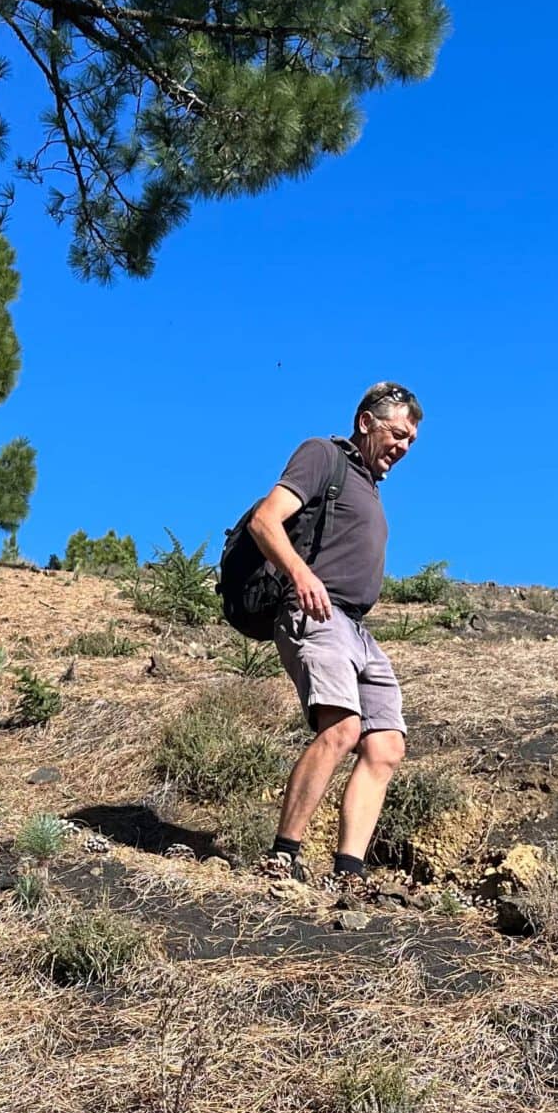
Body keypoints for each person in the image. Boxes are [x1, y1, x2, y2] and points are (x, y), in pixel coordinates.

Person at [240, 381, 422, 892]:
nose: (404, 447)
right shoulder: (323, 455)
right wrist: (301, 575)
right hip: (316, 613)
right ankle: (282, 856)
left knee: (385, 744)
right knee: (342, 728)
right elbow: (265, 520)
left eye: (412, 441)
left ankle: (348, 874)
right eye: (399, 434)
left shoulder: (369, 486)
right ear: (366, 422)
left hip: (357, 630)